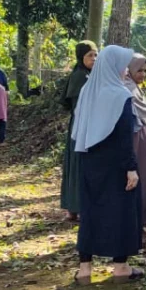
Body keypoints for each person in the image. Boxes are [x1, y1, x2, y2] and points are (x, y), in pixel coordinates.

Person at [71, 45, 144, 285]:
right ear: (114, 66)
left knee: (90, 212)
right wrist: (131, 168)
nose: (125, 70)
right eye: (123, 65)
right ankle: (121, 266)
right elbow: (124, 138)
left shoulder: (87, 91)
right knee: (121, 212)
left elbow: (79, 128)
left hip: (89, 161)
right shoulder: (120, 95)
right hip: (116, 165)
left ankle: (84, 269)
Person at [61, 41, 98, 222]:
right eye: (90, 55)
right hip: (81, 126)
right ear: (80, 57)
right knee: (77, 164)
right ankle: (75, 207)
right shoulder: (79, 77)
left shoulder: (91, 76)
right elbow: (77, 105)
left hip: (89, 125)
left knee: (83, 164)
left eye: (96, 55)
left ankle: (76, 207)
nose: (94, 59)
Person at [123, 54, 146, 235]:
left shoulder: (135, 88)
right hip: (134, 139)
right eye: (139, 70)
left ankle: (139, 224)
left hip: (142, 138)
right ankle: (132, 225)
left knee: (144, 177)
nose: (143, 74)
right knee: (136, 178)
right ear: (129, 69)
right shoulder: (127, 89)